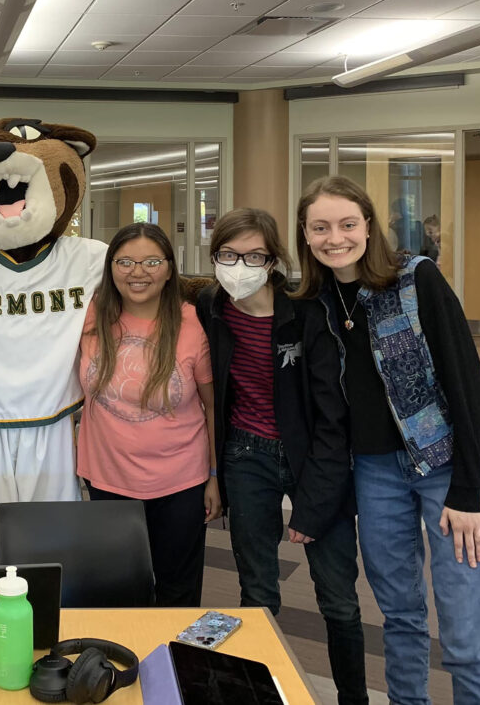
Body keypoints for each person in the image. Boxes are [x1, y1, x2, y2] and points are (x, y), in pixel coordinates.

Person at [296, 175, 480, 705]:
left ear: (368, 226)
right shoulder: (313, 300)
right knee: (400, 617)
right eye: (320, 227)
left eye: (346, 224)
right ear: (306, 233)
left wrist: (467, 491)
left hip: (447, 464)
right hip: (374, 471)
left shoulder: (416, 280)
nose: (334, 237)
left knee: (464, 634)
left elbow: (466, 384)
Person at [195, 208, 368, 705]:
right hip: (244, 455)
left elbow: (334, 418)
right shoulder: (212, 306)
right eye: (228, 254)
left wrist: (315, 504)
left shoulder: (306, 313)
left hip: (313, 457)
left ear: (273, 260)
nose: (239, 265)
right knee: (258, 594)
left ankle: (353, 698)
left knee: (338, 599)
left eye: (253, 255)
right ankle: (258, 694)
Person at [76, 222, 220, 607]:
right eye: (125, 262)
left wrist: (214, 476)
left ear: (170, 268)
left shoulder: (192, 323)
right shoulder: (89, 317)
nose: (137, 272)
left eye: (151, 261)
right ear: (110, 268)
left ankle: (171, 665)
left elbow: (212, 407)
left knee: (177, 592)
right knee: (119, 590)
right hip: (108, 479)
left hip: (181, 482)